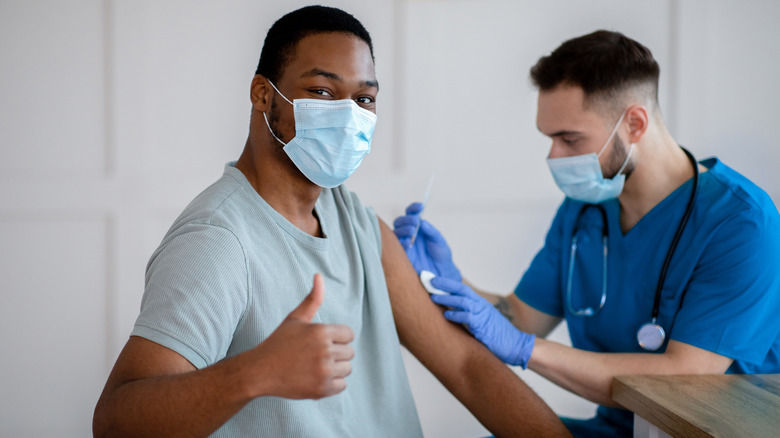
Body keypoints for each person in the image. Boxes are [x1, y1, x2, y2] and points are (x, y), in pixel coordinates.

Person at [92, 6, 571, 438]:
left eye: (364, 99)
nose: (347, 115)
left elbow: (466, 366)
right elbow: (115, 421)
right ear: (264, 95)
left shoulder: (358, 224)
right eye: (321, 91)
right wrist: (255, 372)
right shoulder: (218, 241)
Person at [393, 29, 780, 437]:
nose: (553, 156)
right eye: (550, 138)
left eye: (569, 138)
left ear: (634, 122)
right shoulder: (585, 209)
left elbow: (684, 376)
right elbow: (521, 317)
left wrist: (526, 351)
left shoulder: (741, 221)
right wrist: (448, 281)